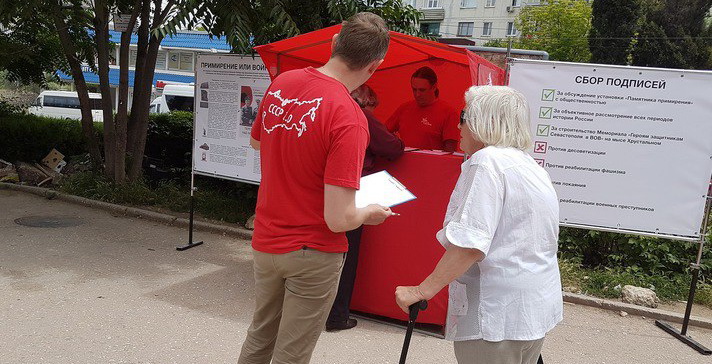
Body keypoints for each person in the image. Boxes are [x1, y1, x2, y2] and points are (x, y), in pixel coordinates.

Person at [240, 13, 393, 364]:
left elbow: (257, 143)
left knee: (260, 336)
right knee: (291, 354)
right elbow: (339, 219)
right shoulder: (350, 117)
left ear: (333, 44)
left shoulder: (283, 83)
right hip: (313, 249)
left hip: (267, 240)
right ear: (375, 66)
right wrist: (370, 212)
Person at [395, 86, 563, 364]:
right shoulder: (531, 167)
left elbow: (470, 244)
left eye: (464, 116)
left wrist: (421, 291)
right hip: (532, 310)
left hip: (497, 313)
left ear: (484, 121)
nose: (459, 125)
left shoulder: (487, 162)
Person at [326, 84, 404, 332]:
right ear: (365, 101)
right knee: (347, 254)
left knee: (325, 251)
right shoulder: (363, 117)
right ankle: (337, 316)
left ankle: (319, 310)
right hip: (355, 192)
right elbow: (393, 147)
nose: (374, 111)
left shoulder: (331, 112)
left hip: (327, 189)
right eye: (372, 106)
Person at [386, 66, 460, 152]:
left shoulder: (449, 113)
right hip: (404, 162)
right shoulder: (404, 108)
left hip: (431, 164)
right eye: (414, 89)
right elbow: (383, 133)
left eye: (422, 90)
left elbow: (450, 149)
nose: (417, 94)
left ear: (434, 87)